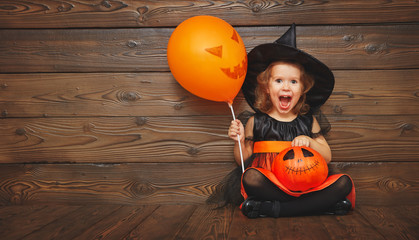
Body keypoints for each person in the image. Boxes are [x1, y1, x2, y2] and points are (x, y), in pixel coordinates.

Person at [209, 24, 355, 218]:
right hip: (272, 184)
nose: (286, 87)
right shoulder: (256, 121)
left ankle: (275, 209)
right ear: (267, 87)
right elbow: (243, 161)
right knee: (250, 177)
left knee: (344, 182)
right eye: (279, 81)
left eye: (293, 82)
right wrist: (240, 141)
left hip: (306, 182)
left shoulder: (308, 121)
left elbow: (327, 156)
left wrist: (310, 141)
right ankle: (315, 206)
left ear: (303, 89)